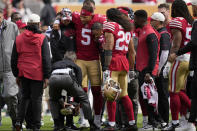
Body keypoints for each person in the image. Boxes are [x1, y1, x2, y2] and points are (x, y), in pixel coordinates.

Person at [11, 13, 51, 131]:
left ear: (27, 24)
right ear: (39, 24)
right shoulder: (42, 38)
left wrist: (16, 74)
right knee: (37, 99)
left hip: (23, 72)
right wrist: (47, 76)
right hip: (37, 73)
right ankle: (36, 125)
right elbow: (46, 58)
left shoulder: (19, 38)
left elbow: (14, 58)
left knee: (24, 98)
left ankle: (19, 121)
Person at [72, 3, 106, 128]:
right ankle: (83, 119)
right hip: (80, 59)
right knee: (82, 91)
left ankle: (97, 119)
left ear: (92, 15)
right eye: (81, 15)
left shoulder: (100, 20)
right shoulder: (76, 17)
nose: (82, 18)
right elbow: (61, 17)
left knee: (97, 91)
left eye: (85, 16)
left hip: (94, 60)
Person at [102, 8, 136, 131]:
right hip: (124, 62)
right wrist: (132, 69)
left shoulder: (111, 25)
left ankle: (111, 125)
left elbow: (109, 46)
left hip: (114, 61)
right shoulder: (128, 28)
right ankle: (132, 123)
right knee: (124, 95)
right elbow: (132, 52)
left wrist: (106, 67)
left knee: (110, 94)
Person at [49, 51, 99, 131]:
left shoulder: (56, 63)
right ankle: (92, 124)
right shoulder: (75, 65)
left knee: (53, 100)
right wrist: (77, 103)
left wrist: (61, 99)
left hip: (53, 78)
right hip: (67, 77)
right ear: (74, 60)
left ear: (64, 58)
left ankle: (57, 125)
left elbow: (49, 74)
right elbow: (79, 83)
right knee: (84, 98)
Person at [162, 0, 193, 130]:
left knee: (173, 91)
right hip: (190, 59)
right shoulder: (191, 21)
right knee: (180, 90)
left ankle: (175, 122)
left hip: (180, 58)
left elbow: (176, 43)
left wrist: (169, 62)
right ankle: (189, 116)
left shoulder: (177, 21)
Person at [50, 8, 79, 130]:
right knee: (58, 96)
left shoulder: (75, 26)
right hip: (60, 64)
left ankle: (70, 123)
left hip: (73, 63)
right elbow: (54, 47)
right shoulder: (56, 28)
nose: (66, 22)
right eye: (64, 19)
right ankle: (59, 123)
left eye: (68, 19)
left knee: (71, 94)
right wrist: (62, 62)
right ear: (61, 18)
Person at [134, 10, 162, 130]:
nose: (134, 21)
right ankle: (153, 123)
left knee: (150, 98)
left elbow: (154, 54)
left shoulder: (150, 32)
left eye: (135, 18)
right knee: (146, 98)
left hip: (147, 70)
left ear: (141, 19)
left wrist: (149, 72)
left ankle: (153, 123)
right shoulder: (143, 31)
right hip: (142, 69)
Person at [150, 12, 171, 126]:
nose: (150, 22)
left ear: (157, 21)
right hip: (160, 68)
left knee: (162, 94)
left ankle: (165, 120)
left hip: (161, 69)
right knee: (159, 94)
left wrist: (160, 68)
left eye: (152, 20)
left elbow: (165, 52)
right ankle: (160, 119)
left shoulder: (164, 34)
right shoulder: (160, 32)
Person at [0, 8, 19, 129]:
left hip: (9, 67)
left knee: (10, 95)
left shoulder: (12, 26)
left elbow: (19, 46)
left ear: (2, 15)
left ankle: (15, 120)